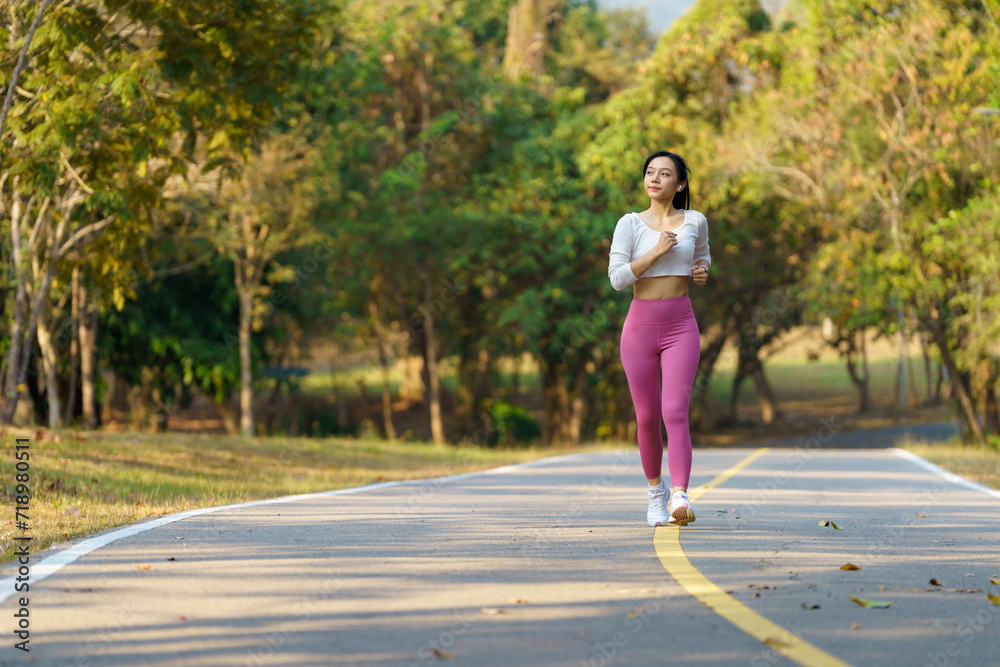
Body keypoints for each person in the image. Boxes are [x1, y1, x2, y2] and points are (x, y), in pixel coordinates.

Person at [607, 151, 711, 527]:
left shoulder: (695, 221)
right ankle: (656, 493)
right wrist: (655, 252)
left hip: (681, 324)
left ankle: (680, 495)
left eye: (664, 173)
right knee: (647, 417)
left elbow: (703, 257)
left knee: (675, 412)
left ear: (679, 184)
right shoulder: (630, 224)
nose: (655, 178)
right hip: (639, 328)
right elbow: (617, 278)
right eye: (650, 172)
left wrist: (701, 271)